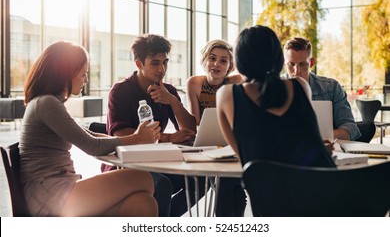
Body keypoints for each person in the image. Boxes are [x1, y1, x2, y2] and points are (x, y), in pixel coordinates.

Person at [19, 41, 160, 217]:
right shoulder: (46, 104)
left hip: (56, 191)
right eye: (84, 74)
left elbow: (90, 135)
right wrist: (137, 138)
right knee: (142, 178)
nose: (86, 80)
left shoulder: (48, 102)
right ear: (66, 72)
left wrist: (132, 138)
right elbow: (92, 145)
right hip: (50, 196)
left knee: (143, 204)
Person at [105, 34, 203, 217]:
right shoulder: (120, 91)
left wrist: (173, 101)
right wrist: (168, 138)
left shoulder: (168, 91)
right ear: (139, 64)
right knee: (162, 185)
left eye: (165, 62)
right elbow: (120, 134)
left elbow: (190, 128)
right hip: (126, 164)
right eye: (155, 63)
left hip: (157, 161)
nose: (162, 69)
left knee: (202, 179)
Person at [216, 25, 336, 169]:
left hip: (270, 189)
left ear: (238, 61)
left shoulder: (226, 95)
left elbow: (247, 157)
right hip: (324, 185)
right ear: (279, 58)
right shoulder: (301, 86)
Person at [186, 39, 246, 216]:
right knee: (228, 186)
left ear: (230, 66)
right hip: (207, 145)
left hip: (232, 144)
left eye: (223, 60)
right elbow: (196, 122)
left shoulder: (235, 81)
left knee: (233, 187)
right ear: (204, 60)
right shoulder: (194, 83)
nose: (216, 64)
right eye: (212, 58)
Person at [283, 37, 361, 141]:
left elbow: (351, 129)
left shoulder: (332, 88)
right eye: (291, 64)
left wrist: (321, 136)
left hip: (323, 150)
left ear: (312, 62)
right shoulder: (273, 88)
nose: (296, 71)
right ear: (284, 63)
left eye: (302, 64)